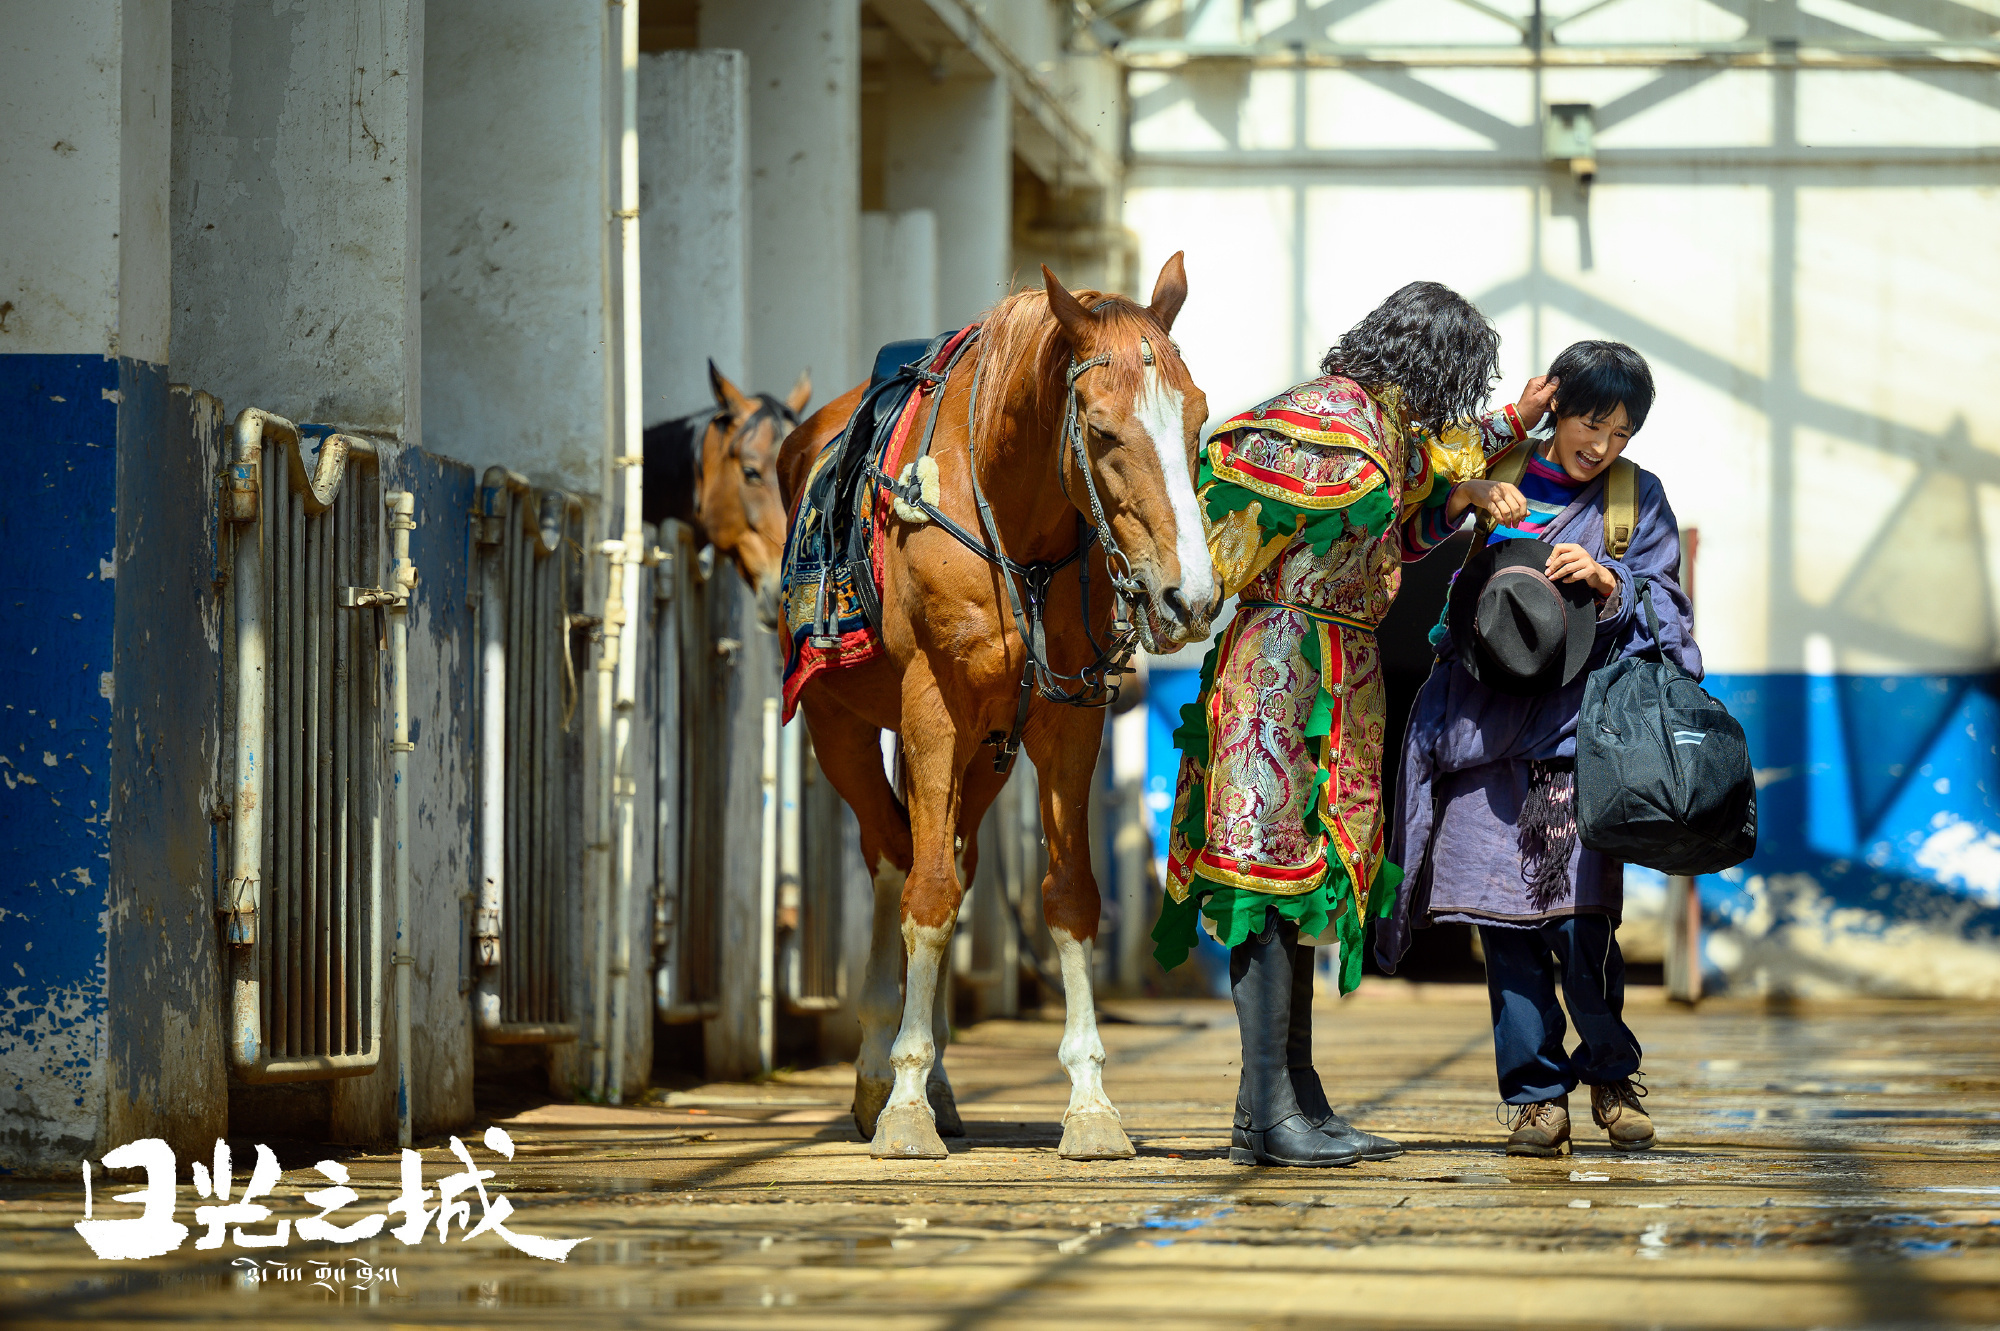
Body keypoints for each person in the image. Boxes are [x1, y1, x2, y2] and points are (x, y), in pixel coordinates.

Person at [1151, 281, 1554, 1168]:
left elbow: (1406, 504)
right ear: (1426, 362)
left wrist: (1501, 438)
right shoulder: (1323, 418)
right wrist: (1467, 473)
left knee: (1303, 880)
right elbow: (1379, 479)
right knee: (1262, 874)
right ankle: (1264, 1111)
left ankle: (1294, 1095)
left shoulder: (1377, 427)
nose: (1453, 399)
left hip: (1339, 664)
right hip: (1280, 663)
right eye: (1454, 376)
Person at [1380, 339, 1701, 1157]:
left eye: (1621, 432)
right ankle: (1535, 1101)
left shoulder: (1637, 502)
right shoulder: (1501, 470)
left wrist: (1608, 581)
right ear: (1556, 406)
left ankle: (1610, 1074)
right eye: (1591, 421)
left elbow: (1671, 611)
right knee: (1506, 926)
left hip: (1573, 742)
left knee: (1578, 925)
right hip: (1482, 739)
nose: (1601, 445)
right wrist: (1467, 492)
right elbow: (1404, 521)